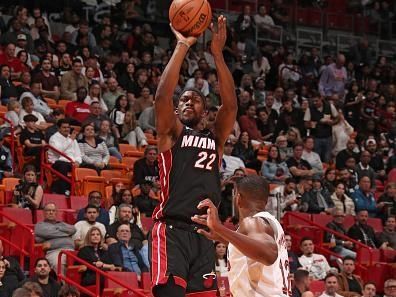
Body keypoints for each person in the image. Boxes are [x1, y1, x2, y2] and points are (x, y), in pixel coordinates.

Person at [150, 15, 237, 297]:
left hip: (204, 235)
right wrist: (182, 45)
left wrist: (217, 55)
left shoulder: (215, 139)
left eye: (195, 99)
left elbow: (231, 106)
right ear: (176, 110)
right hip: (172, 230)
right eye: (184, 99)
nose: (188, 102)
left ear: (205, 111)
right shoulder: (171, 134)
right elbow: (162, 98)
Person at [192, 175, 290, 297]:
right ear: (266, 201)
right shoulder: (271, 222)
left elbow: (269, 253)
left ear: (238, 198)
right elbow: (252, 252)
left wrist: (219, 227)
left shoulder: (253, 222)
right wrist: (221, 236)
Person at [34, 203, 76, 273]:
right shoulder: (40, 225)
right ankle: (62, 284)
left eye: (53, 211)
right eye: (48, 210)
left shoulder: (61, 223)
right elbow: (48, 233)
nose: (51, 212)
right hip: (55, 251)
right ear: (44, 212)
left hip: (71, 250)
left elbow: (73, 229)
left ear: (56, 213)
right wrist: (66, 234)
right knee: (58, 264)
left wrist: (56, 228)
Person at [48, 119, 82, 194]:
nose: (67, 129)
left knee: (89, 167)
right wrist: (70, 140)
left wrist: (77, 161)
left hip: (72, 162)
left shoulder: (72, 138)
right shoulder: (53, 138)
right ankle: (63, 191)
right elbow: (59, 151)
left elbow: (78, 153)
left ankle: (81, 192)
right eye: (64, 127)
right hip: (57, 161)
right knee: (63, 166)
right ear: (59, 128)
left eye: (68, 127)